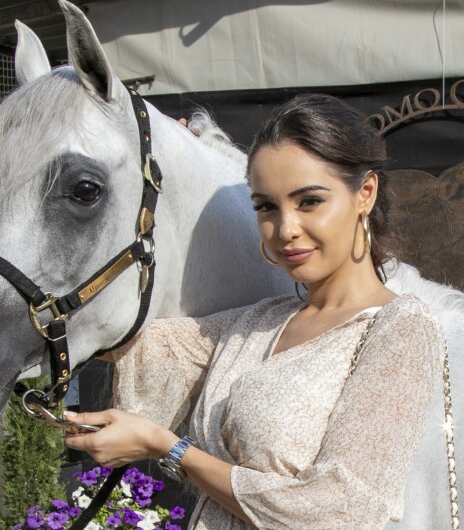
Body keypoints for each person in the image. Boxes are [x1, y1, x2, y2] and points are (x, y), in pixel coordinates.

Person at [64, 93, 444, 529]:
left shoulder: (400, 330)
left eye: (309, 202)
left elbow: (338, 512)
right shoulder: (256, 323)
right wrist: (162, 146)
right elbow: (133, 339)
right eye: (266, 206)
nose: (285, 230)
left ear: (365, 193)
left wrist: (166, 446)